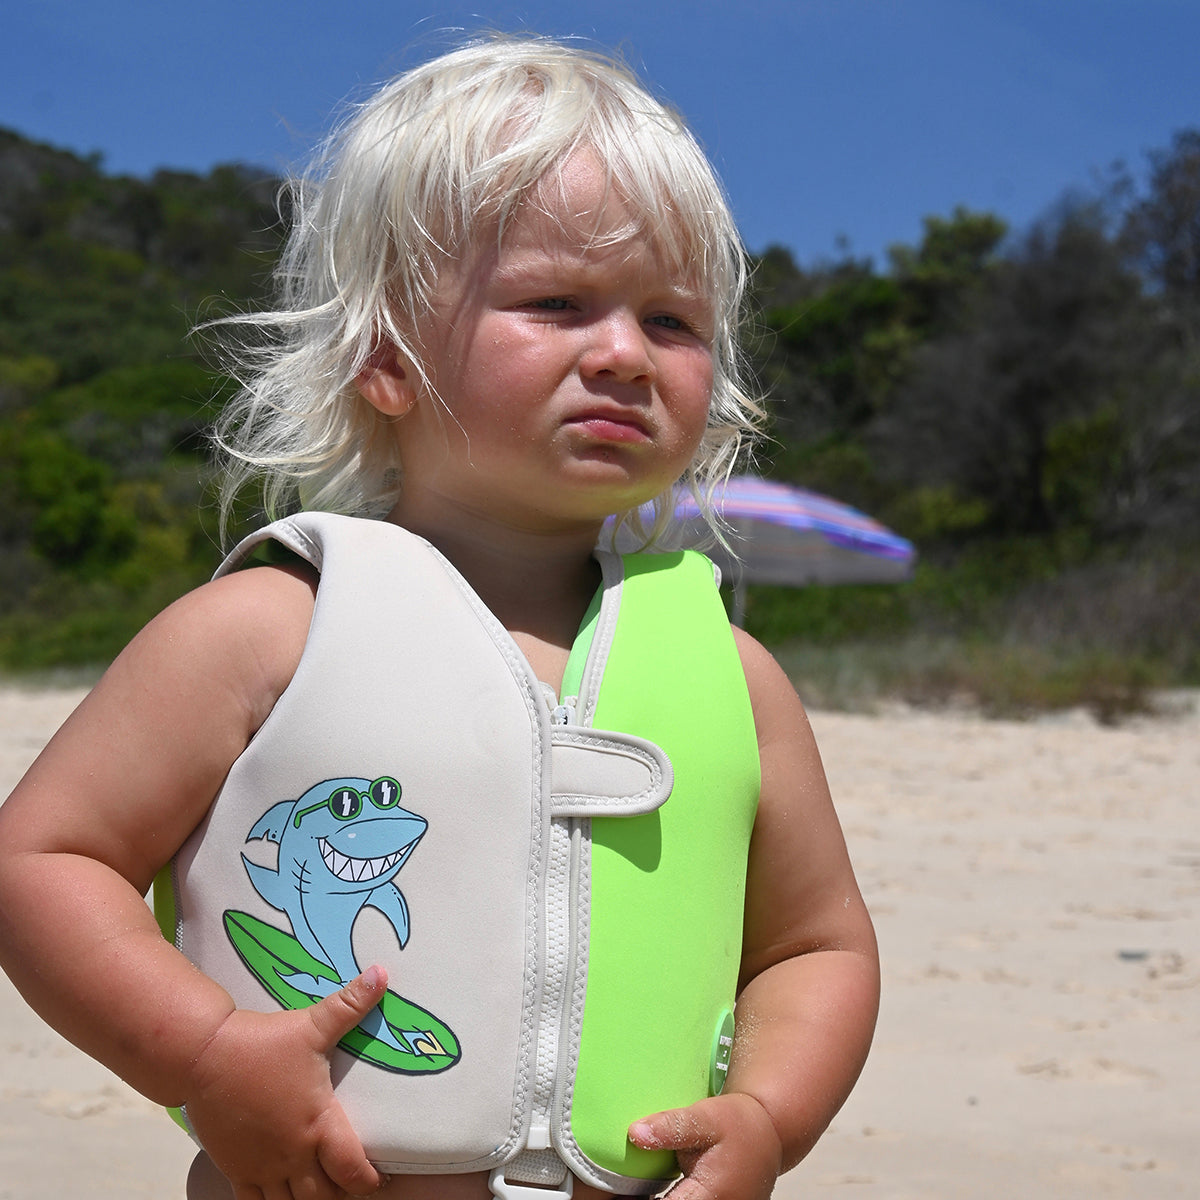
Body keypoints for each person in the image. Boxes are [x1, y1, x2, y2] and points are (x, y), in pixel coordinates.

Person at [0, 35, 879, 1200]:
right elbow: (44, 861)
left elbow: (814, 948)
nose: (622, 352)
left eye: (672, 323)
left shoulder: (736, 675)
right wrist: (206, 1056)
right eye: (557, 302)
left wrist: (772, 1117)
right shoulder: (268, 628)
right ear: (387, 359)